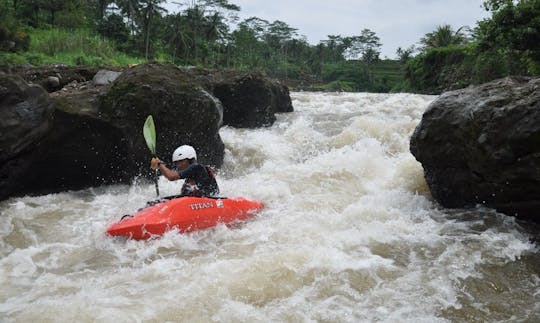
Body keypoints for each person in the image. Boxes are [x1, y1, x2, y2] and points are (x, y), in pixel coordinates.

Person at [150, 145, 219, 197]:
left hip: (211, 203)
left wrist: (159, 163)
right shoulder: (189, 180)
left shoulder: (197, 168)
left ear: (189, 160)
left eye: (181, 161)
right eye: (176, 163)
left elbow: (171, 177)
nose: (178, 165)